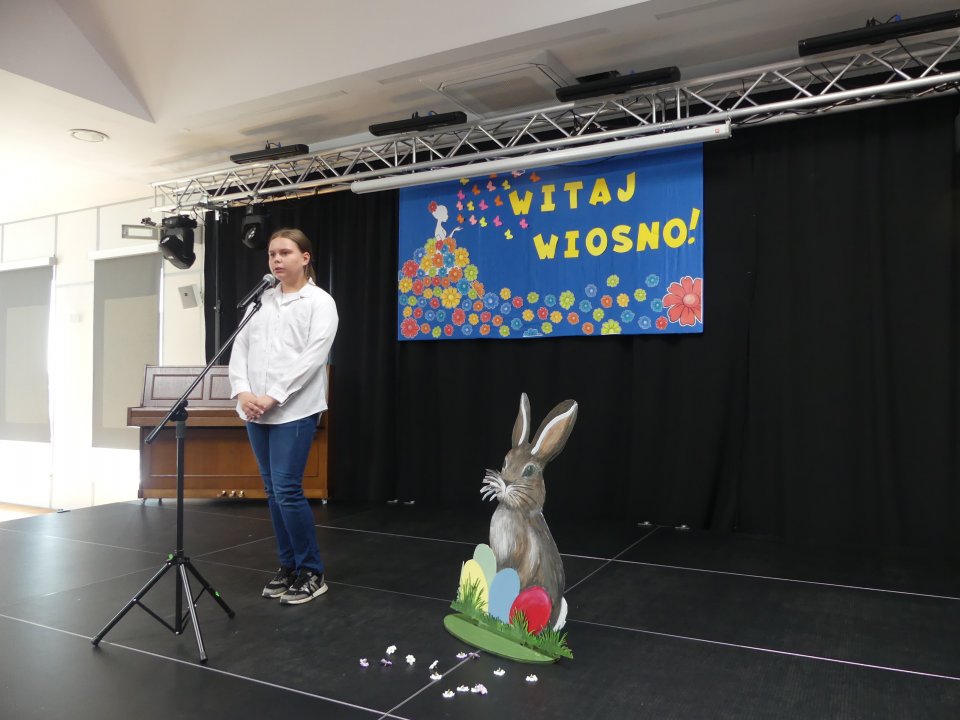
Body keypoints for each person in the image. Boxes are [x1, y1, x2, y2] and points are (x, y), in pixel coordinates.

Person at [228, 227, 338, 605]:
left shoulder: (319, 302)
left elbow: (313, 357)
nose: (276, 259)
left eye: (285, 253)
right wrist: (243, 392)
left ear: (304, 258)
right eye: (272, 254)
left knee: (288, 490)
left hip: (294, 409)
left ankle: (312, 571)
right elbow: (239, 348)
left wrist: (273, 396)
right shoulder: (260, 301)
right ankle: (288, 565)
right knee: (273, 491)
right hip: (255, 409)